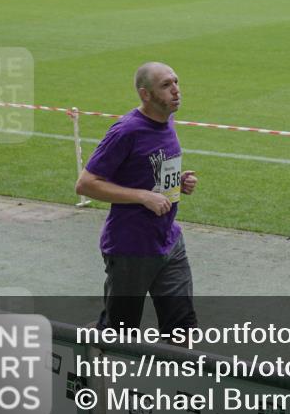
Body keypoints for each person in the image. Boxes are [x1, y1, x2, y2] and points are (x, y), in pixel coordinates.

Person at [76, 62, 199, 335]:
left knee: (183, 330)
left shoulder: (167, 120)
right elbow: (85, 184)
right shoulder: (126, 131)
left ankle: (179, 377)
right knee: (119, 333)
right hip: (131, 247)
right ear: (145, 94)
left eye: (176, 82)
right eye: (166, 86)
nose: (176, 91)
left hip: (169, 241)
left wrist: (178, 183)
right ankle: (90, 359)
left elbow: (151, 171)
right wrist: (143, 197)